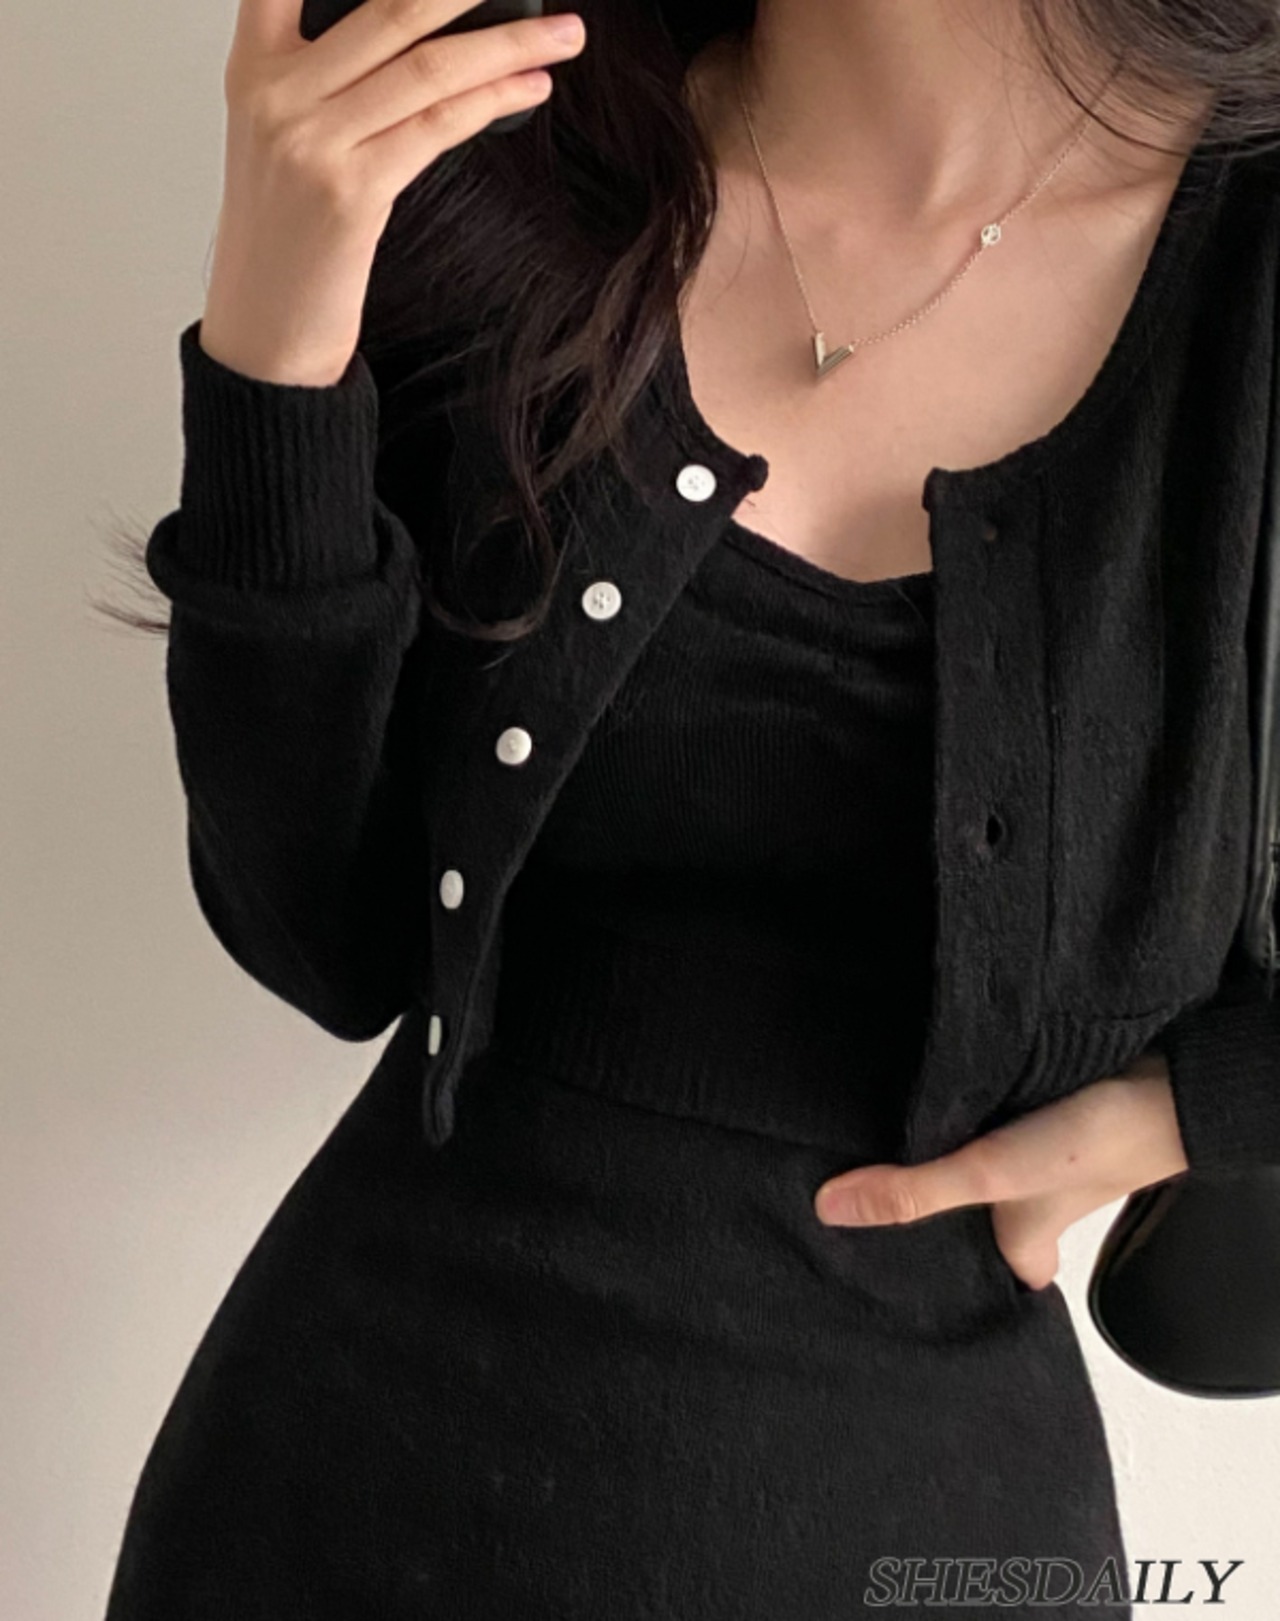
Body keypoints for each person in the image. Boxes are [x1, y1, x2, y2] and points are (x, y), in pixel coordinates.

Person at [99, 1, 1278, 1616]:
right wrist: (274, 347)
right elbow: (323, 934)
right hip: (335, 1488)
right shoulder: (516, 147)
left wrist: (1219, 1098)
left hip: (920, 1532)